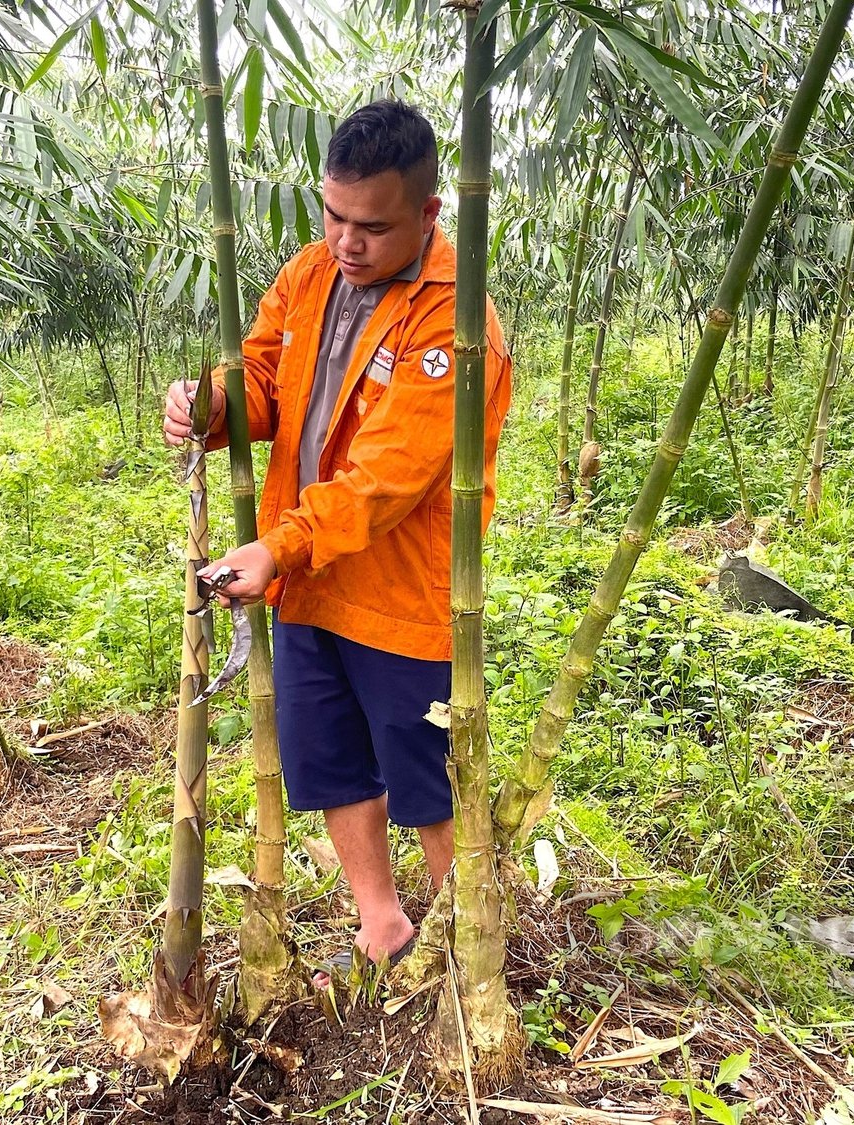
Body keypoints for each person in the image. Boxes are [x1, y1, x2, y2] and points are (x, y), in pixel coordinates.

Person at [161, 100, 514, 982]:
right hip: (310, 575)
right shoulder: (310, 274)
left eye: (373, 226)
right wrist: (209, 403)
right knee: (331, 756)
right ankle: (384, 923)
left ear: (430, 214)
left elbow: (391, 474)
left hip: (397, 584)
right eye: (334, 216)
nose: (347, 242)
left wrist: (281, 544)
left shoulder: (454, 322)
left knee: (425, 773)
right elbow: (264, 380)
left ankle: (464, 944)